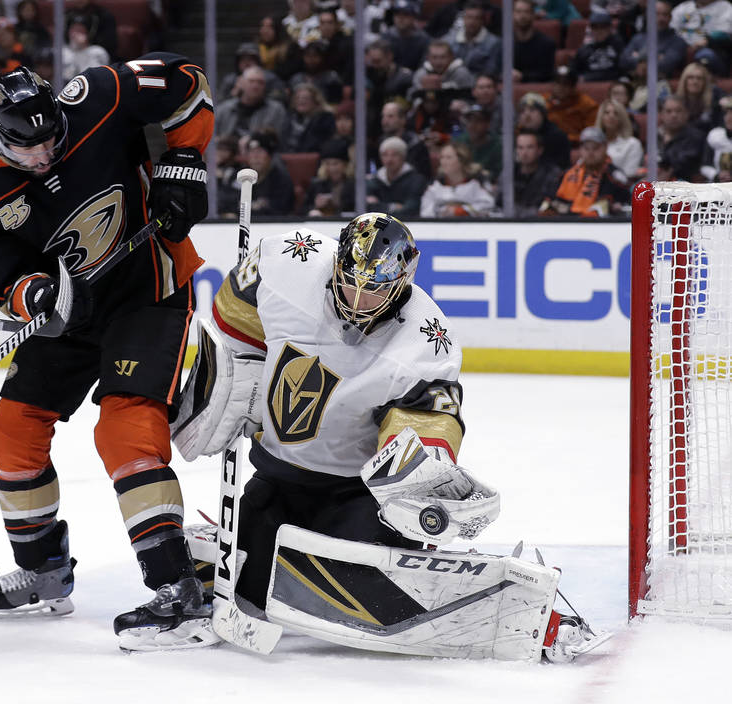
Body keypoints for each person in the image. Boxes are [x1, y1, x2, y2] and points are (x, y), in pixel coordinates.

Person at [172, 212, 596, 662]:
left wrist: (419, 486)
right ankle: (227, 546)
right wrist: (245, 376)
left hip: (353, 495)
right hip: (277, 479)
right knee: (250, 586)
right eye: (349, 280)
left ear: (402, 282)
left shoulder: (426, 343)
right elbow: (233, 310)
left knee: (355, 575)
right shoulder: (288, 260)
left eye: (373, 288)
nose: (356, 298)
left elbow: (422, 436)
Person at [0, 55, 217, 652]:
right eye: (29, 150)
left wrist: (184, 161)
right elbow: (6, 282)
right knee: (11, 428)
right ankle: (45, 568)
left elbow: (189, 83)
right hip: (72, 317)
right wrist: (34, 294)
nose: (45, 156)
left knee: (125, 428)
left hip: (151, 291)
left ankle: (177, 588)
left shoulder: (97, 94)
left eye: (52, 140)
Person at [541, 126, 630, 217]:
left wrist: (612, 206)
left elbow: (625, 201)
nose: (590, 153)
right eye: (586, 148)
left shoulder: (614, 175)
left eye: (595, 148)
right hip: (566, 223)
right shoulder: (567, 174)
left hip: (600, 225)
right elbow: (549, 199)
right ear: (580, 149)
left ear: (605, 147)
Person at [420, 142, 495, 217]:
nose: (443, 162)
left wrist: (462, 210)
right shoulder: (435, 185)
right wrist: (442, 211)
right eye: (442, 157)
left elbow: (488, 205)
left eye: (448, 157)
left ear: (461, 160)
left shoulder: (477, 182)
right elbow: (426, 211)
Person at [366, 136, 428, 215]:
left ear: (403, 157)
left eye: (394, 155)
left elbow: (412, 209)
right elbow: (368, 208)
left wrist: (380, 207)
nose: (389, 159)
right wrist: (394, 207)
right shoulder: (374, 180)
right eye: (385, 155)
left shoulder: (417, 180)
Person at [594, 98, 643, 179]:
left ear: (622, 118)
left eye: (616, 113)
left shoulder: (633, 144)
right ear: (601, 117)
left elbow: (629, 175)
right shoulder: (593, 143)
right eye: (607, 112)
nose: (611, 116)